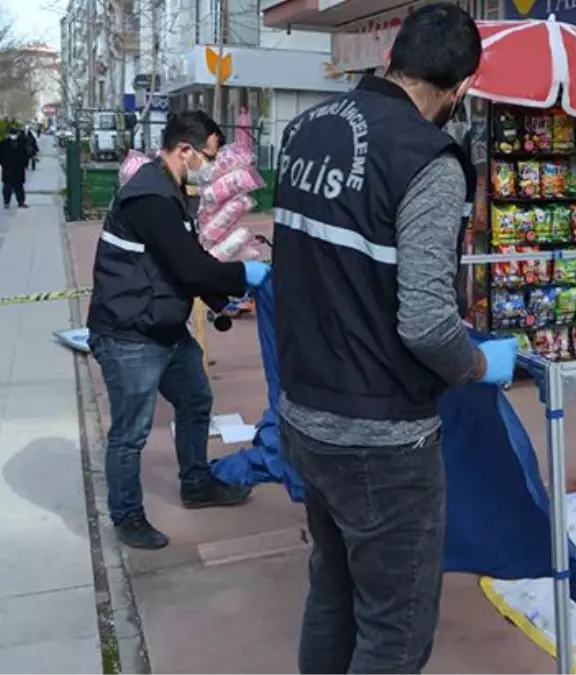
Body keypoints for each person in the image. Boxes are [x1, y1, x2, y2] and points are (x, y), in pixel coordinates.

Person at [271, 4, 517, 672]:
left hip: (303, 413)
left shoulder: (305, 129)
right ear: (461, 88)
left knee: (333, 589)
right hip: (380, 438)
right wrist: (474, 364)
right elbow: (428, 322)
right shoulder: (429, 160)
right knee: (396, 627)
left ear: (389, 57)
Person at [87, 110, 272, 550]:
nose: (210, 165)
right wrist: (244, 273)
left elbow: (184, 263)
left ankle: (197, 483)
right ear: (185, 149)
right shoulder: (149, 197)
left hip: (164, 328)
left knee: (195, 400)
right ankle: (128, 515)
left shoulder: (173, 192)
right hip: (129, 334)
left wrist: (219, 302)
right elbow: (188, 264)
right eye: (209, 154)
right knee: (131, 431)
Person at [0, 125, 31, 208]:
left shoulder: (22, 142)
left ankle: (21, 202)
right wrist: (3, 164)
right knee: (7, 187)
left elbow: (26, 154)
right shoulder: (4, 143)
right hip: (8, 168)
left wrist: (25, 164)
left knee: (19, 187)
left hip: (18, 168)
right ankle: (6, 202)